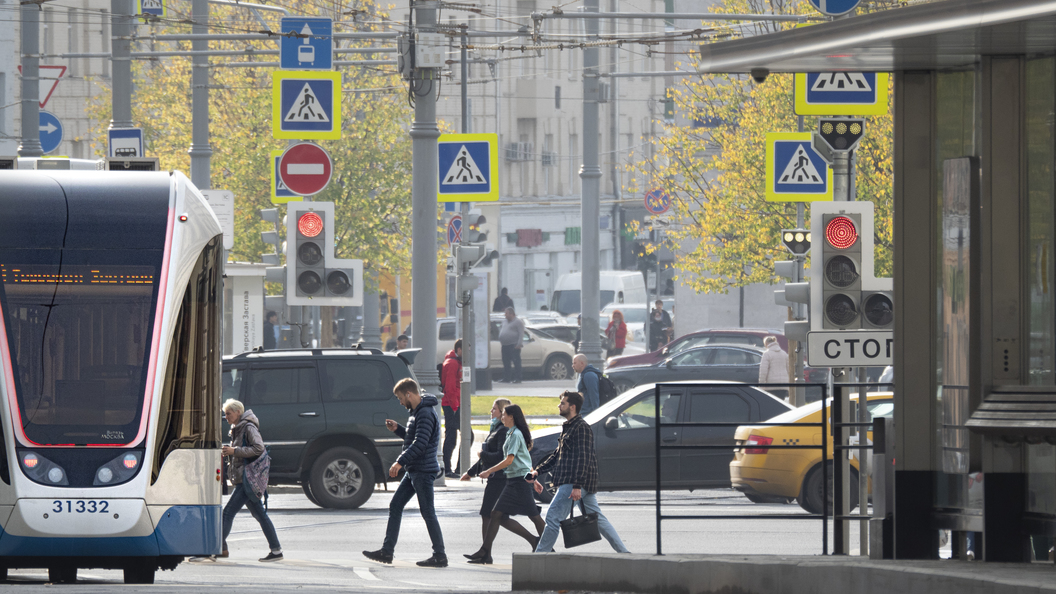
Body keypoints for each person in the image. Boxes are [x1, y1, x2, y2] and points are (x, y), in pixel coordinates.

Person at [528, 391, 629, 554]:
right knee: (599, 520)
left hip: (573, 483)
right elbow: (557, 455)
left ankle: (540, 555)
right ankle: (624, 553)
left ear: (572, 407)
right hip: (576, 483)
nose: (559, 406)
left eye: (562, 403)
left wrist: (577, 486)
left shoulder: (581, 428)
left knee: (552, 517)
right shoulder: (569, 427)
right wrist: (538, 471)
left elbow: (584, 458)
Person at [363, 378, 447, 568]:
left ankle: (440, 555)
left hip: (423, 470)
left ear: (409, 394)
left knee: (428, 513)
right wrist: (398, 430)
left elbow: (421, 443)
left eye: (401, 398)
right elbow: (415, 438)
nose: (400, 402)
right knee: (396, 505)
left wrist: (400, 462)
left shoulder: (424, 413)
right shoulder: (417, 412)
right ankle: (387, 552)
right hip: (415, 470)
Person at [465, 405, 546, 564]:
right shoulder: (511, 433)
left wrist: (489, 471)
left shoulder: (515, 434)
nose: (502, 416)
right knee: (496, 514)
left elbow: (509, 460)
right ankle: (485, 552)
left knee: (534, 516)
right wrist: (535, 479)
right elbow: (523, 458)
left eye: (504, 414)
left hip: (519, 482)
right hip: (513, 480)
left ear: (512, 417)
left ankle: (544, 545)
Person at [220, 399, 283, 562]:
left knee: (227, 513)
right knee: (260, 515)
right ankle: (276, 551)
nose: (225, 416)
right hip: (245, 478)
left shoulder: (248, 427)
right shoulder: (237, 428)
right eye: (225, 413)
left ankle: (215, 547)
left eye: (228, 413)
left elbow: (258, 448)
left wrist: (234, 451)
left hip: (247, 479)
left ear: (238, 412)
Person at [441, 339, 471, 478]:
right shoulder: (452, 363)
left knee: (458, 436)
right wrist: (454, 406)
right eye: (466, 350)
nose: (468, 354)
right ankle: (449, 468)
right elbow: (450, 387)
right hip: (452, 405)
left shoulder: (458, 362)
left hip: (456, 405)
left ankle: (457, 468)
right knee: (453, 437)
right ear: (459, 349)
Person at [758, 336, 790, 401]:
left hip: (771, 386)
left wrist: (761, 385)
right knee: (781, 404)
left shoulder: (767, 354)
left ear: (766, 343)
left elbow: (763, 372)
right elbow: (789, 369)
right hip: (783, 385)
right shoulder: (784, 354)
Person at [498, 307, 524, 383]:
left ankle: (518, 378)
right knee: (506, 362)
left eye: (506, 313)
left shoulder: (518, 322)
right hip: (505, 345)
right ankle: (506, 378)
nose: (505, 315)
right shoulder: (504, 322)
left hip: (514, 345)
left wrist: (519, 344)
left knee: (516, 362)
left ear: (511, 314)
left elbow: (521, 333)